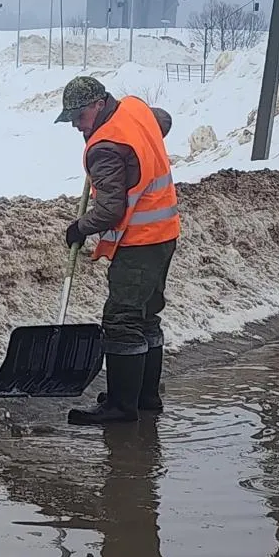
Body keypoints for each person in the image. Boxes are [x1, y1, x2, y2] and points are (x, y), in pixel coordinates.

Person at [53, 76, 178, 425]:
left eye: (79, 117)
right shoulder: (134, 108)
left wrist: (79, 228)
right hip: (165, 232)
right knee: (146, 315)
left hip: (140, 242)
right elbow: (163, 119)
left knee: (122, 320)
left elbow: (110, 211)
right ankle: (145, 397)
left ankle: (121, 408)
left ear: (98, 105)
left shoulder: (105, 148)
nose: (76, 125)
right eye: (72, 119)